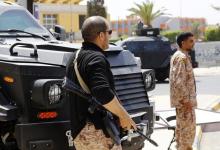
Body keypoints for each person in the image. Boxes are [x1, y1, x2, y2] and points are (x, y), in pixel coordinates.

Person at [65, 16, 136, 150]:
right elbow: (103, 93)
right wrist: (124, 116)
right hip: (97, 134)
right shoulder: (96, 58)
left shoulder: (74, 57)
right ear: (101, 35)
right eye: (109, 32)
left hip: (80, 132)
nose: (110, 36)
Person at [170, 32, 197, 150]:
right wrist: (186, 100)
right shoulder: (181, 57)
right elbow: (179, 82)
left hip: (184, 103)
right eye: (191, 41)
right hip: (185, 104)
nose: (193, 43)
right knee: (187, 134)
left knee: (182, 132)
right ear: (183, 42)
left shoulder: (182, 56)